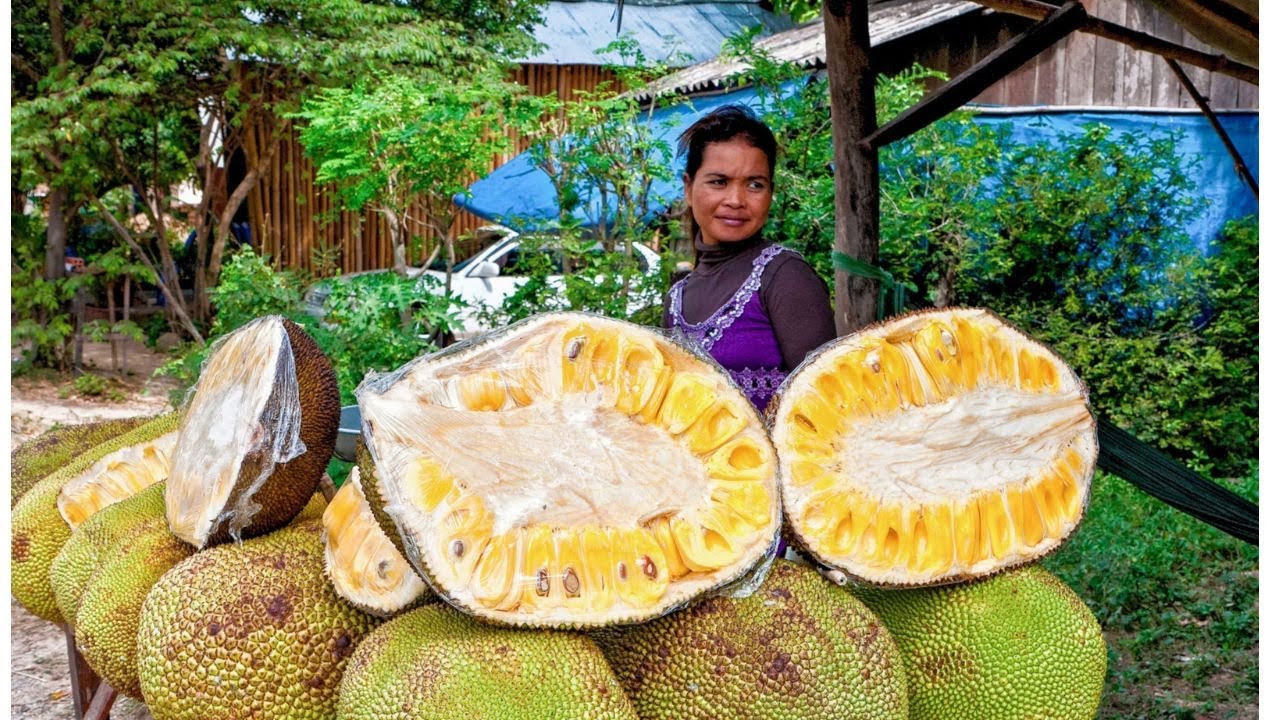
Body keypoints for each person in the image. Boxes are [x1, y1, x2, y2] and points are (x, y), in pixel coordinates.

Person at [663, 104, 836, 413]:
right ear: (688, 188)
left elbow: (827, 407)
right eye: (719, 182)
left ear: (771, 192)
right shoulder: (677, 298)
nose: (736, 200)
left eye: (755, 184)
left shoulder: (785, 277)